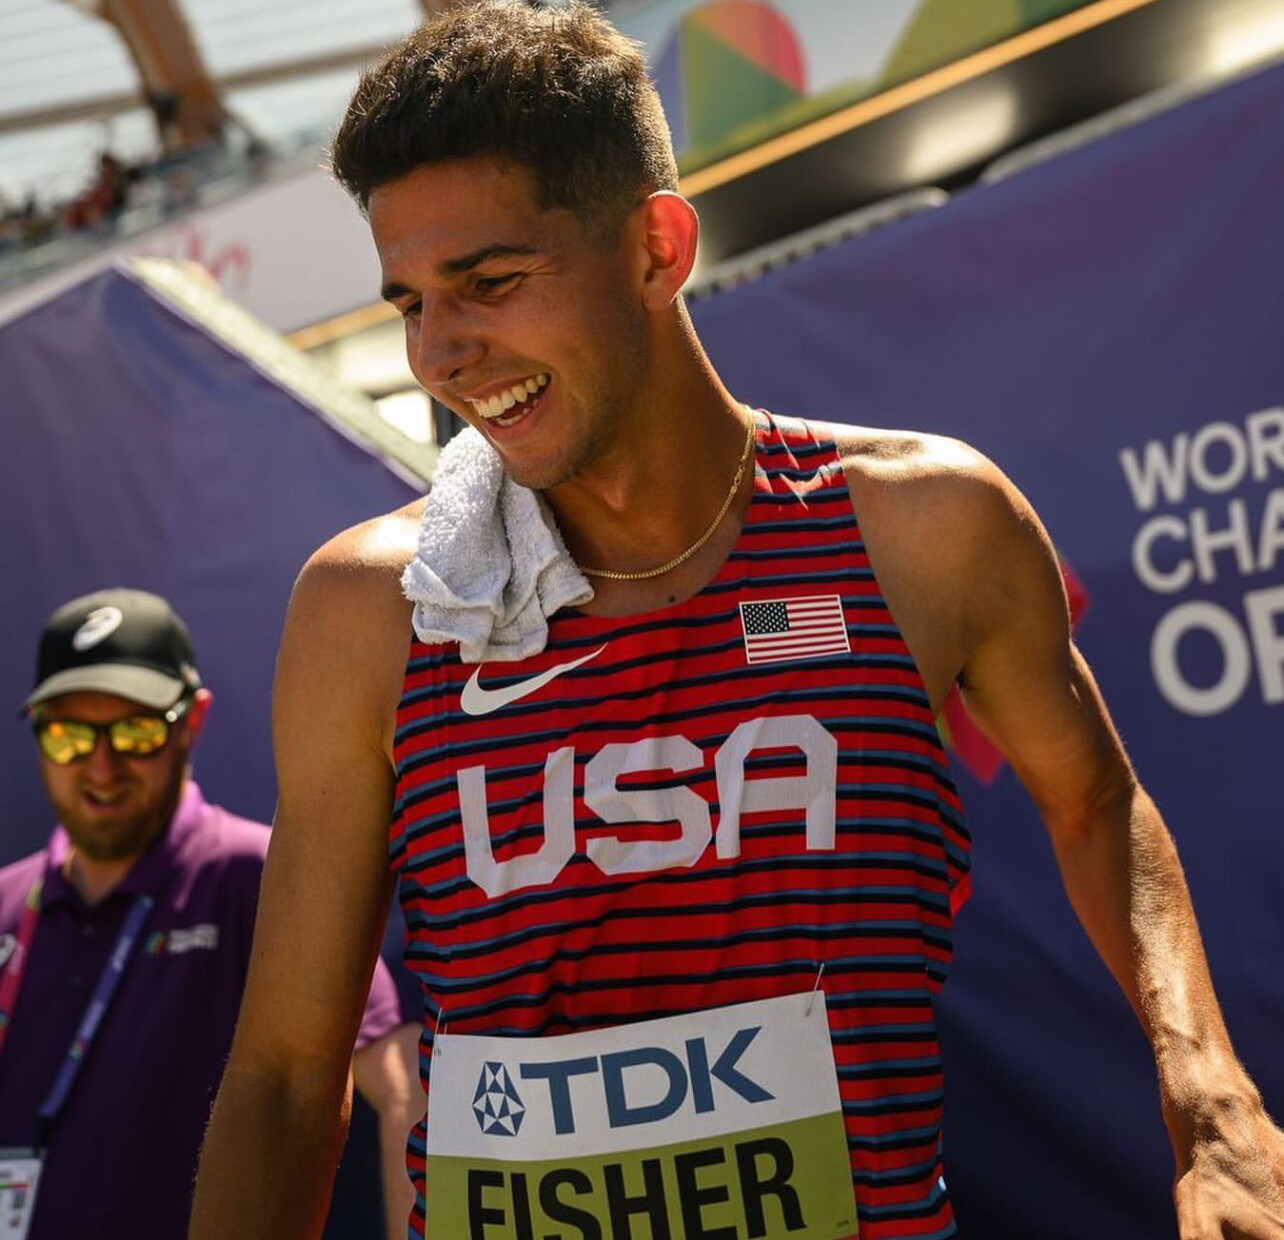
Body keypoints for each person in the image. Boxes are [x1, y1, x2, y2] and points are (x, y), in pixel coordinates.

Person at [189, 5, 1284, 1239]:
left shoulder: (923, 526)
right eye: (409, 302)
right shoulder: (375, 608)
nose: (440, 352)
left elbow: (1097, 803)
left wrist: (1215, 1101)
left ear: (657, 250)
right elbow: (285, 1075)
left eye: (489, 283)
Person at [0, 589, 420, 1240]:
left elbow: (404, 1091)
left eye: (135, 731)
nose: (102, 766)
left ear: (191, 721)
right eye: (69, 735)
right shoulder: (8, 902)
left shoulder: (256, 875)